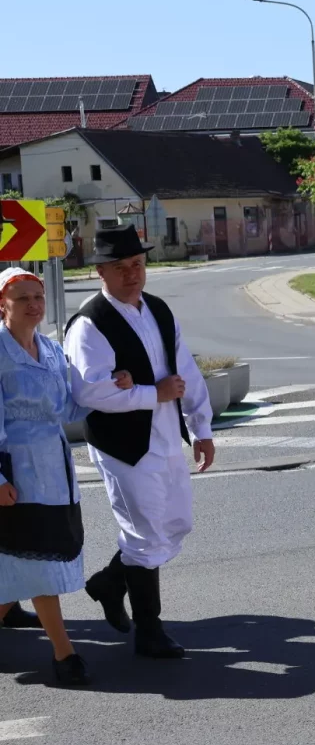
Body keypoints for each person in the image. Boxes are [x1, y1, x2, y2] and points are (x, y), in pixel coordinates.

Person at [64, 226, 215, 660]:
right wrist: (153, 393)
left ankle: (109, 583)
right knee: (145, 532)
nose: (132, 275)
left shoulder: (159, 310)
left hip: (166, 434)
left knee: (175, 525)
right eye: (120, 267)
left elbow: (185, 369)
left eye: (137, 265)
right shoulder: (89, 323)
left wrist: (200, 427)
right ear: (100, 272)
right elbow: (89, 392)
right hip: (122, 445)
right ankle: (150, 632)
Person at [0, 267, 133, 686]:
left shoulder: (53, 351)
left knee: (24, 560)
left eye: (37, 297)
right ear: (2, 304)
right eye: (22, 298)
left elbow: (69, 410)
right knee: (35, 564)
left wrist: (111, 387)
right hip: (15, 474)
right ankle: (64, 653)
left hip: (56, 471)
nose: (34, 305)